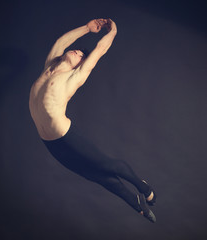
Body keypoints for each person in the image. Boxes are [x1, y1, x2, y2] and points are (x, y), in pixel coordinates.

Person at [29, 18, 157, 222]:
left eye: (81, 55)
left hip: (67, 136)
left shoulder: (74, 77)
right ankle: (135, 201)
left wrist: (112, 31)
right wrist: (87, 28)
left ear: (80, 64)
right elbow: (61, 42)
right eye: (76, 51)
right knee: (93, 175)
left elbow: (99, 50)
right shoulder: (49, 66)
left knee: (107, 166)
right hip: (50, 144)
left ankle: (143, 186)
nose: (77, 52)